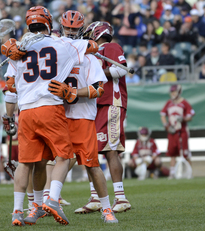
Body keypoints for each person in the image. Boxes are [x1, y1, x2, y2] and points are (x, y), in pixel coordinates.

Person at [1, 6, 98, 226]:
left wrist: (6, 48)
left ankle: (18, 211)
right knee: (64, 156)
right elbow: (91, 46)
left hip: (25, 111)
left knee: (26, 163)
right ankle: (52, 199)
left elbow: (9, 89)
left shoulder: (17, 48)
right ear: (49, 23)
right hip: (50, 107)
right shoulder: (62, 43)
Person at [45, 10, 118, 224]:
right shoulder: (54, 54)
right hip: (60, 116)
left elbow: (98, 89)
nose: (70, 32)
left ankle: (106, 208)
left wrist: (74, 93)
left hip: (83, 117)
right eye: (67, 28)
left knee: (92, 165)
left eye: (74, 29)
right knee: (56, 161)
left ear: (81, 30)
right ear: (61, 27)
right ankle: (43, 202)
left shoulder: (89, 57)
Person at [75, 21, 131, 214]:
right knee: (91, 150)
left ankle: (121, 197)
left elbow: (120, 69)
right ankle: (96, 197)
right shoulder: (92, 53)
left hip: (110, 102)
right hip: (96, 106)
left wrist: (98, 73)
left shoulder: (111, 47)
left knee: (110, 150)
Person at [160, 84, 195, 179]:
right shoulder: (169, 103)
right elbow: (163, 114)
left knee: (185, 152)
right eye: (172, 92)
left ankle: (189, 172)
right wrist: (166, 125)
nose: (173, 93)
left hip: (182, 131)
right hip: (172, 131)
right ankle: (172, 173)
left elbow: (190, 116)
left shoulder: (184, 103)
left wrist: (183, 119)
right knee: (172, 152)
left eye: (174, 91)